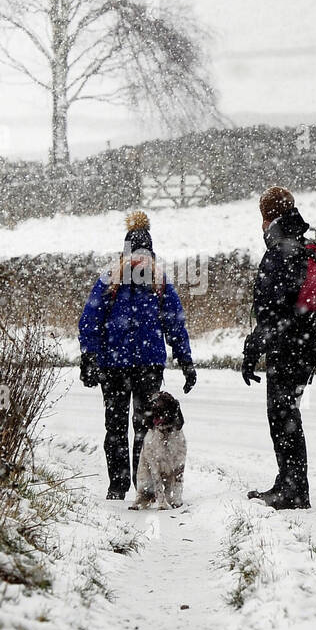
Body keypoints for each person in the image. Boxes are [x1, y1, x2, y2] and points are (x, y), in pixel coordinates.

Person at [78, 212, 196, 500]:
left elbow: (89, 319)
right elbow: (175, 324)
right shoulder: (159, 280)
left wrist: (90, 357)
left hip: (113, 365)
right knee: (144, 427)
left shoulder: (110, 278)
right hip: (148, 365)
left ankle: (117, 487)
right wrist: (185, 361)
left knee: (115, 427)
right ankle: (142, 486)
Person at [242, 186, 316, 509]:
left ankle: (293, 489)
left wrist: (252, 349)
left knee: (282, 415)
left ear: (267, 217)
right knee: (289, 414)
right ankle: (289, 481)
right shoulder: (301, 244)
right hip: (304, 344)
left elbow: (272, 312)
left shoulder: (280, 251)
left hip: (287, 346)